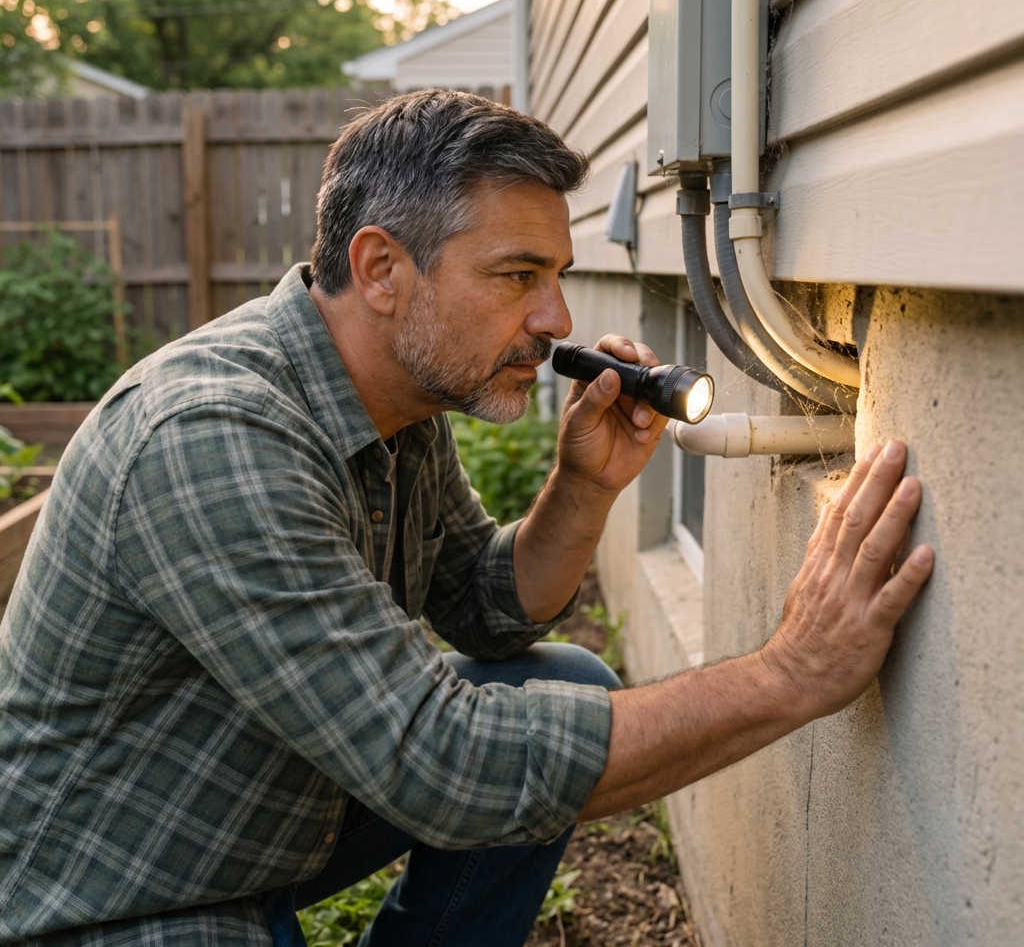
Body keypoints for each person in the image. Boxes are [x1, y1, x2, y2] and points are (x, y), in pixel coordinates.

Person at [0, 91, 933, 947]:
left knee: (559, 680)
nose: (555, 317)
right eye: (516, 275)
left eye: (559, 276)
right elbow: (442, 762)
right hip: (115, 891)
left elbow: (487, 607)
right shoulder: (211, 438)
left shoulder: (397, 396)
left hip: (243, 809)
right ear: (380, 269)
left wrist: (586, 489)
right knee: (490, 757)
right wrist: (792, 674)